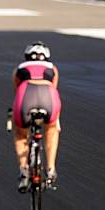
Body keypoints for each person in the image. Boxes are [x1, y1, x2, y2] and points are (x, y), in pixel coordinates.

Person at [11, 41, 61, 192]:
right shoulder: (53, 69)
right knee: (51, 130)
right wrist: (56, 120)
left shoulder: (19, 69)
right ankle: (51, 170)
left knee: (20, 134)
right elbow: (54, 90)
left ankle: (24, 170)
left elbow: (17, 93)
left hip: (26, 96)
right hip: (48, 98)